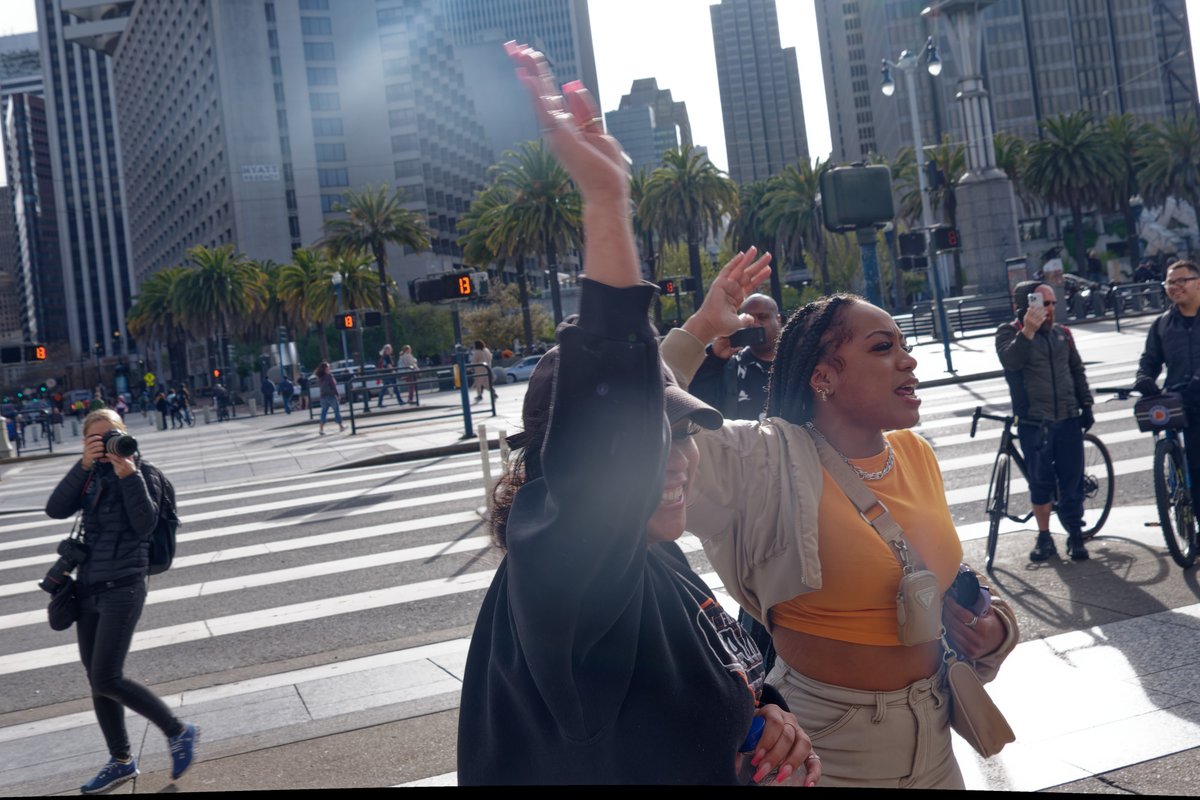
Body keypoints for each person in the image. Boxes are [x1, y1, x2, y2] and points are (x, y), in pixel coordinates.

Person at [458, 43, 820, 787]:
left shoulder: (647, 555)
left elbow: (704, 675)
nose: (679, 458)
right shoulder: (565, 573)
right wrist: (606, 204)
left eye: (684, 433)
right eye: (656, 443)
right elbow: (615, 424)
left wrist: (764, 715)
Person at [660, 267, 1019, 787]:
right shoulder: (764, 457)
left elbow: (935, 570)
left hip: (937, 732)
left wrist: (992, 624)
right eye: (881, 347)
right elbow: (625, 433)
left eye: (904, 344)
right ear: (823, 376)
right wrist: (697, 331)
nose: (908, 359)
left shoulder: (915, 454)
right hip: (823, 747)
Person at [44, 409, 198, 793]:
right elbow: (55, 509)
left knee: (106, 676)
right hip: (88, 589)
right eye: (97, 439)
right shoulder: (90, 476)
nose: (106, 443)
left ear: (124, 434)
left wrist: (127, 473)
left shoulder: (145, 474)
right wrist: (82, 466)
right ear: (86, 444)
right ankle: (121, 761)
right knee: (98, 682)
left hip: (125, 586)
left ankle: (178, 731)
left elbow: (145, 524)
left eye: (111, 435)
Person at [996, 280, 1095, 561]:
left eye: (1052, 303)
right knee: (1040, 482)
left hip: (1067, 417)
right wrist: (1028, 330)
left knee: (1071, 480)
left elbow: (1076, 370)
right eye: (1043, 302)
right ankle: (1044, 537)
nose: (1050, 309)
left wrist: (1085, 404)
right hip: (1034, 422)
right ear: (1024, 304)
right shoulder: (1009, 332)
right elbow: (1011, 362)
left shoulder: (1062, 333)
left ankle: (1075, 536)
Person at [1135, 259, 1200, 516]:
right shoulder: (1162, 324)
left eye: (1181, 280)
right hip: (1179, 403)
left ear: (1198, 283)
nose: (1174, 286)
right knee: (1189, 466)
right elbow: (1149, 360)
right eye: (1169, 282)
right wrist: (1143, 377)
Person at [314, 361, 344, 435]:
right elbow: (333, 386)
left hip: (323, 397)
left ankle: (321, 429)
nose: (329, 369)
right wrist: (337, 394)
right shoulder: (329, 376)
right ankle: (341, 426)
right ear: (325, 368)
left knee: (324, 412)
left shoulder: (320, 377)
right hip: (331, 396)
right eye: (328, 367)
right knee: (336, 410)